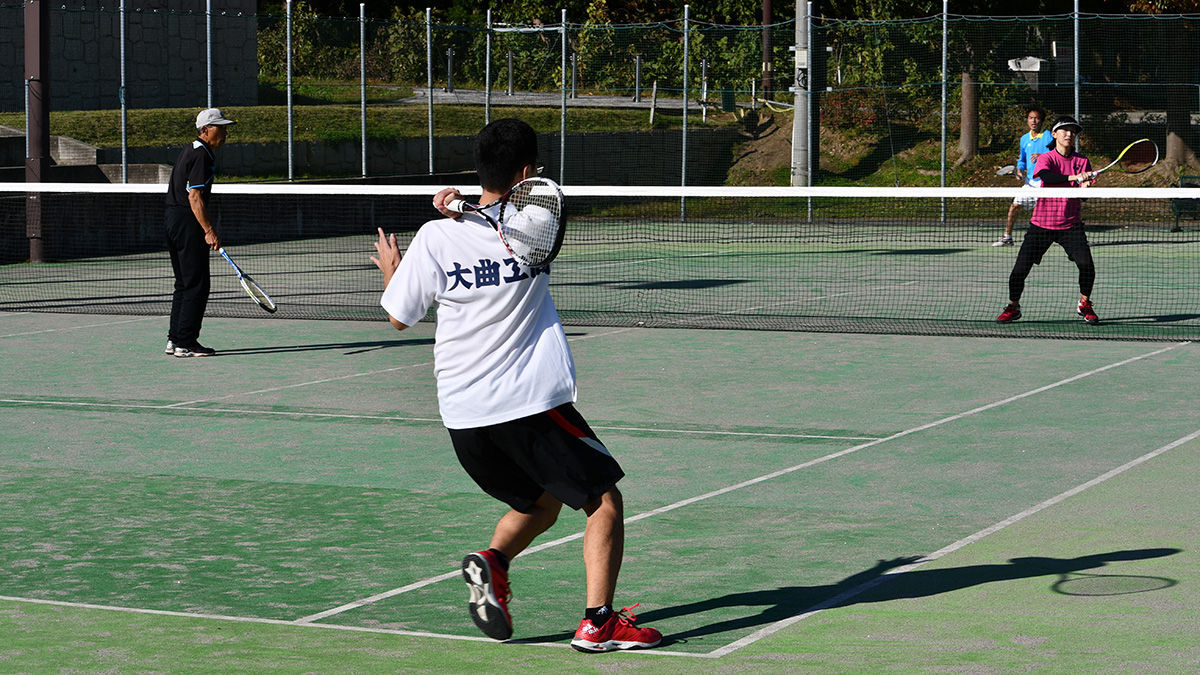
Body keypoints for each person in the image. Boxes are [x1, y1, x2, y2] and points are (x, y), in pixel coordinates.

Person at [370, 118, 662, 653]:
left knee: (540, 503)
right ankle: (598, 624)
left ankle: (493, 562)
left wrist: (395, 267)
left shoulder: (434, 239)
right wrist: (457, 204)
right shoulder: (535, 224)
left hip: (463, 419)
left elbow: (398, 317)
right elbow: (504, 222)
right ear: (528, 174)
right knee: (604, 502)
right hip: (528, 403)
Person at [996, 115, 1100, 325]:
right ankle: (1013, 306)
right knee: (1019, 271)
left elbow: (1083, 195)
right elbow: (1047, 177)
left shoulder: (1082, 162)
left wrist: (1085, 187)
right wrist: (1074, 178)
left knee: (1087, 266)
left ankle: (1084, 303)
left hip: (1071, 225)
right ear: (1054, 134)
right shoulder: (1047, 158)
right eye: (1064, 130)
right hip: (1041, 224)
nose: (1069, 134)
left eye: (1073, 131)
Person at [164, 108, 236, 357]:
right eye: (220, 127)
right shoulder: (202, 155)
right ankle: (186, 342)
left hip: (173, 219)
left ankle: (175, 339)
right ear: (205, 130)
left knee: (184, 283)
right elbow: (194, 196)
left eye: (226, 127)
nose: (225, 132)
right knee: (197, 285)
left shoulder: (189, 150)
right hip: (187, 221)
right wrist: (209, 230)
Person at [995, 106, 1053, 247]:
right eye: (1031, 118)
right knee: (1014, 207)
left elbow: (1057, 154)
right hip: (1029, 183)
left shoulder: (1049, 136)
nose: (1034, 121)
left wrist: (1042, 156)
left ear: (1042, 121)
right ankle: (1007, 237)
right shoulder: (1024, 139)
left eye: (1037, 118)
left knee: (1052, 214)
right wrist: (1020, 170)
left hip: (1046, 183)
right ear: (1027, 120)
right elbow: (1022, 159)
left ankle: (1073, 237)